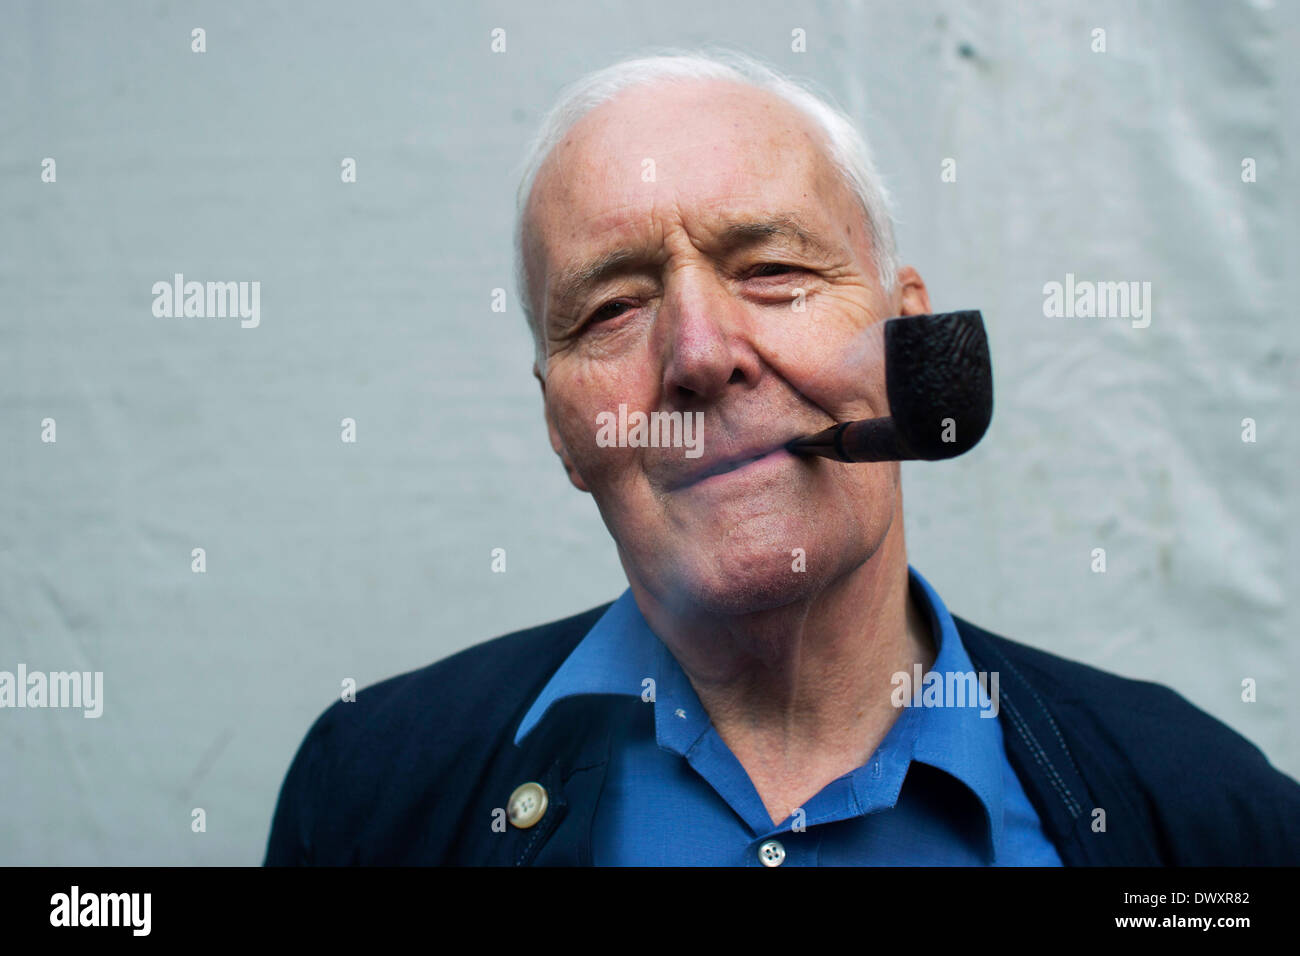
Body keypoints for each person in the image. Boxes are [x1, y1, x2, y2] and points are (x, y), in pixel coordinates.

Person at [265, 50, 1300, 866]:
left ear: (909, 348)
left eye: (771, 270)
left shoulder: (1207, 809)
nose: (701, 355)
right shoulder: (367, 789)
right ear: (562, 429)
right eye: (614, 308)